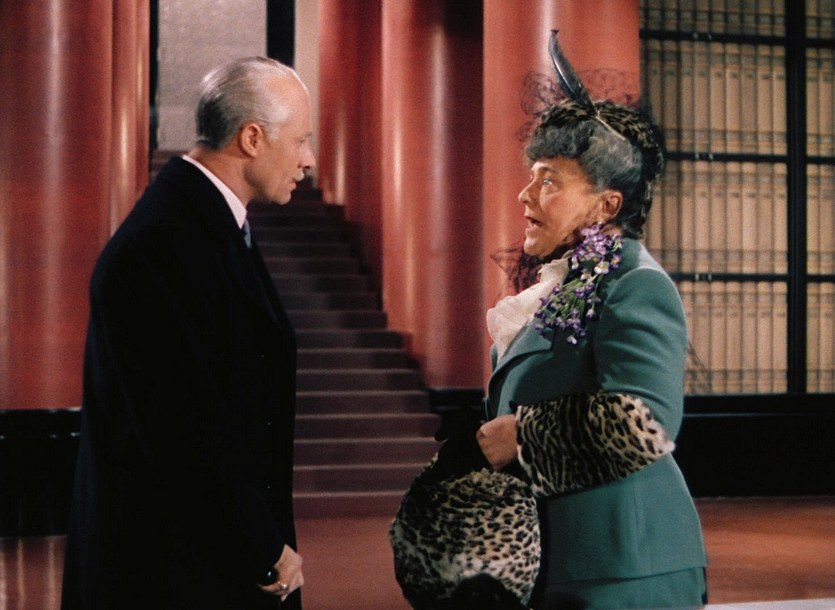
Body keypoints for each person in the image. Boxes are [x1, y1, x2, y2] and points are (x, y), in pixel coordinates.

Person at [61, 56, 315, 610]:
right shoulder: (164, 242)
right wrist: (260, 546)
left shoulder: (205, 223)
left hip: (203, 559)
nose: (308, 160)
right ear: (252, 138)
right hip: (174, 571)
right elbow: (182, 424)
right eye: (300, 141)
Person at [476, 38, 708, 609]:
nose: (526, 194)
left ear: (606, 206)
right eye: (532, 176)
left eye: (549, 180)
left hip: (623, 570)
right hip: (569, 564)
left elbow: (646, 419)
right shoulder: (570, 283)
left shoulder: (635, 282)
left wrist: (521, 436)